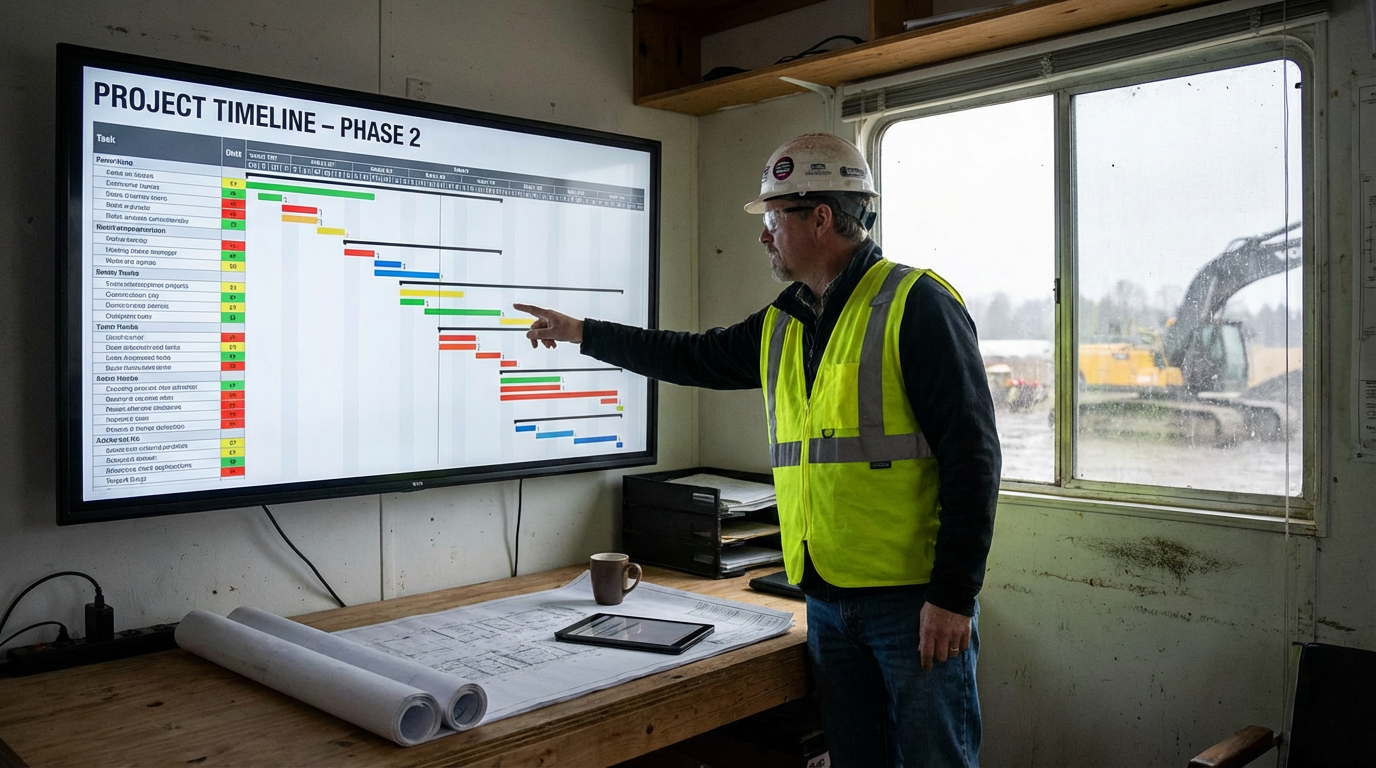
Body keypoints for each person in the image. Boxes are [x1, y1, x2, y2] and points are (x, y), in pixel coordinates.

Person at [515, 133, 1000, 768]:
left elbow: (974, 456)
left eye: (773, 217)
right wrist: (583, 333)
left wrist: (954, 596)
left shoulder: (917, 306)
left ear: (820, 217)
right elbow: (690, 355)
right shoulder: (786, 319)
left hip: (911, 604)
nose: (765, 234)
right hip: (826, 599)